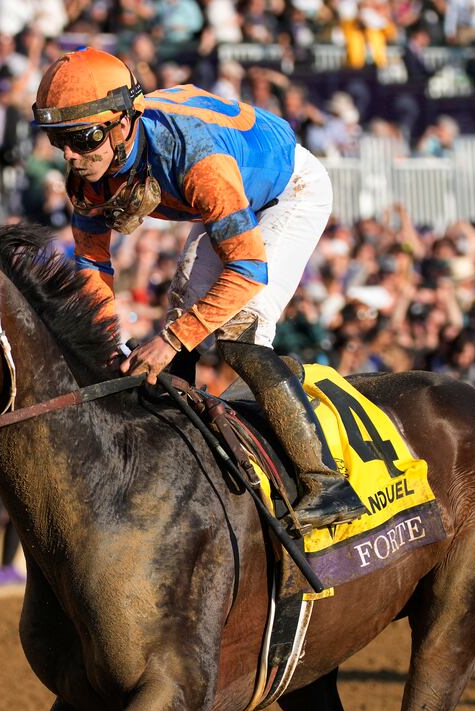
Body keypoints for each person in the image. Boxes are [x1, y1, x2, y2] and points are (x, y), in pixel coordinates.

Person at [32, 48, 365, 530]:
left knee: (238, 327)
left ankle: (326, 482)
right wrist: (105, 340)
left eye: (83, 139)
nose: (71, 157)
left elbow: (248, 269)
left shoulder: (196, 160)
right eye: (58, 141)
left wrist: (168, 343)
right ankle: (177, 458)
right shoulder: (89, 170)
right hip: (228, 191)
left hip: (286, 190)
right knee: (182, 315)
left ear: (124, 123)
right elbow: (92, 263)